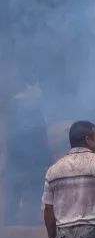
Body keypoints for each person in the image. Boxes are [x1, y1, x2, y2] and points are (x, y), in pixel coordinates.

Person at [6, 82, 50, 224]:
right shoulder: (33, 110)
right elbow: (41, 139)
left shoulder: (13, 107)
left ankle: (9, 229)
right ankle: (25, 229)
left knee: (12, 199)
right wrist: (47, 160)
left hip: (14, 164)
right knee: (30, 200)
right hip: (31, 165)